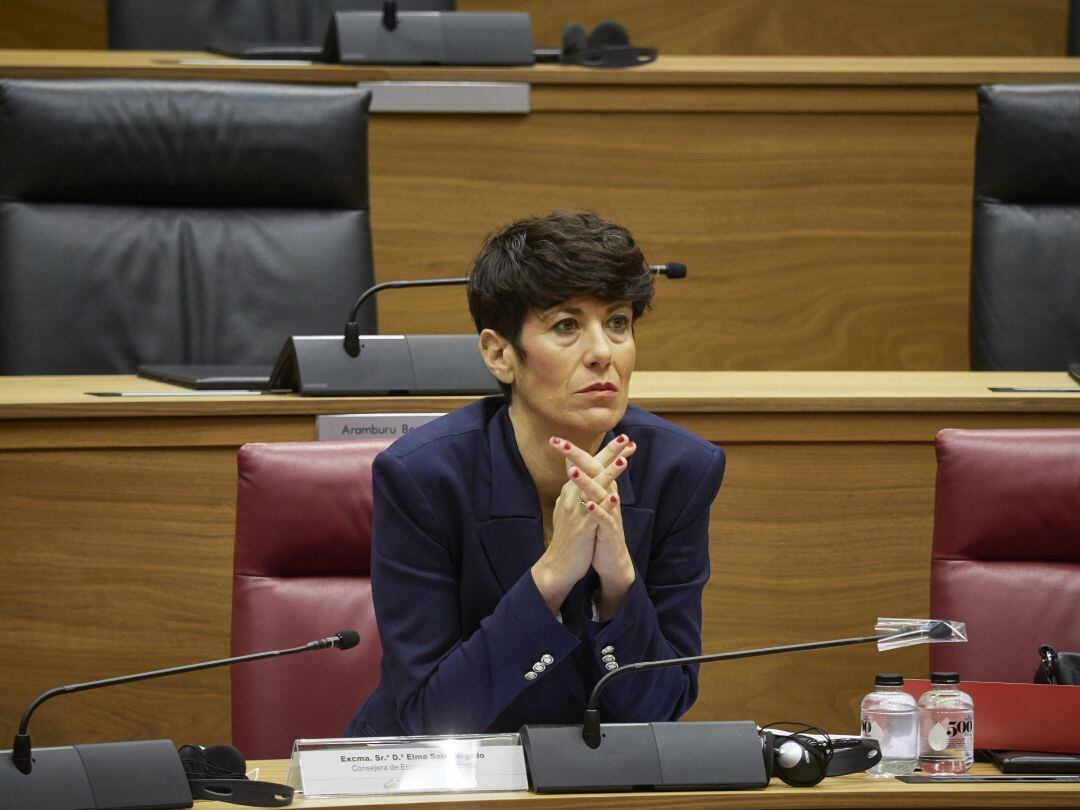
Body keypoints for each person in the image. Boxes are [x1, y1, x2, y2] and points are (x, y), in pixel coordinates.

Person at [344, 211, 726, 736]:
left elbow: (660, 708)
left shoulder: (679, 471)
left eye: (618, 323)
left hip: (594, 784)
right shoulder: (424, 479)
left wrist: (618, 583)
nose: (601, 353)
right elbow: (430, 717)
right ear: (499, 354)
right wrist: (550, 577)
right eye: (566, 326)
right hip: (437, 781)